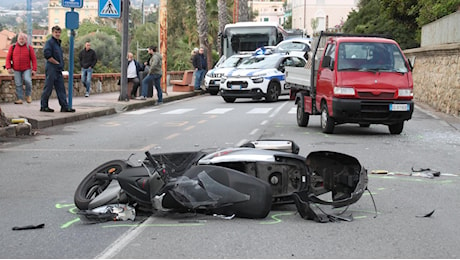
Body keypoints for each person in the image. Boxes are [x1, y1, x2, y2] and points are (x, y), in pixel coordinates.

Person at [40, 25, 75, 113]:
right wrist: (56, 62)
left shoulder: (58, 43)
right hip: (52, 68)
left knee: (61, 88)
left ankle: (64, 106)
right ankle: (44, 106)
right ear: (52, 33)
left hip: (58, 69)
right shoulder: (50, 43)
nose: (57, 34)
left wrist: (60, 65)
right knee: (48, 87)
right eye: (56, 32)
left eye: (59, 32)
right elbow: (47, 55)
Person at [5, 32, 37, 104]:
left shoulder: (29, 48)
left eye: (23, 39)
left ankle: (28, 95)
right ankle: (20, 99)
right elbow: (8, 58)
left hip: (27, 68)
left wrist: (34, 69)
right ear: (17, 39)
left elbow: (34, 59)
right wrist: (8, 67)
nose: (21, 40)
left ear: (25, 40)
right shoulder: (12, 47)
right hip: (16, 69)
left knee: (27, 80)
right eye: (20, 39)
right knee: (18, 83)